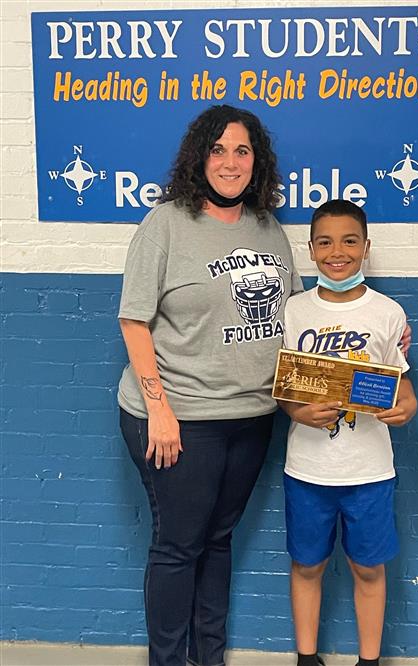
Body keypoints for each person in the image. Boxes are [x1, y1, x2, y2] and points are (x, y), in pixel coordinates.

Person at [117, 104, 303, 666]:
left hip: (250, 418)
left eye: (241, 150)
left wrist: (377, 336)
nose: (230, 162)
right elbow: (133, 319)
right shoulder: (167, 223)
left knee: (217, 542)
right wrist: (160, 410)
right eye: (218, 149)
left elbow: (294, 313)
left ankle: (210, 658)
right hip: (179, 418)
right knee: (178, 547)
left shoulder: (268, 227)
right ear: (200, 157)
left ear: (257, 161)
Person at [278, 200, 418, 666]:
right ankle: (306, 657)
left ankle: (370, 660)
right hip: (308, 469)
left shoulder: (388, 313)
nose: (338, 251)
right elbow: (282, 387)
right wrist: (295, 411)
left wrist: (409, 401)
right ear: (312, 250)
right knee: (307, 564)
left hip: (370, 470)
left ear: (366, 247)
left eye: (349, 240)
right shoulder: (293, 312)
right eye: (325, 241)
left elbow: (399, 379)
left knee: (368, 568)